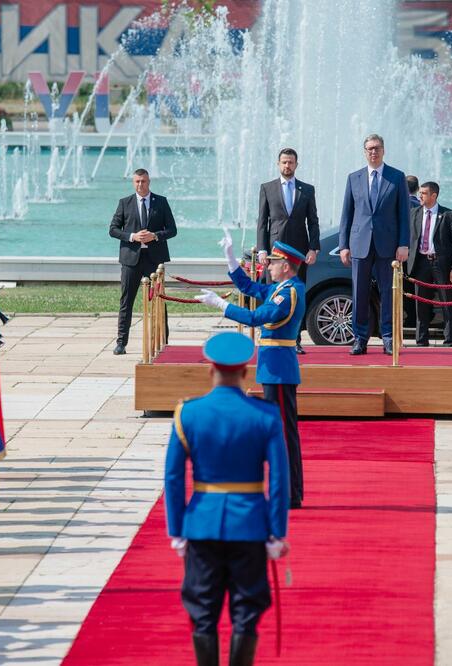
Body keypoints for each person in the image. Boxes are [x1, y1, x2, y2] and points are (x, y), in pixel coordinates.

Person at [164, 332, 290, 666]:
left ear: (210, 370)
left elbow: (174, 478)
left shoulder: (187, 414)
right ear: (246, 372)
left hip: (201, 524)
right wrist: (277, 532)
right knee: (246, 611)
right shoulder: (266, 415)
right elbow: (279, 478)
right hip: (249, 525)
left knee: (203, 611)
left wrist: (176, 530)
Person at [198, 235, 306, 509]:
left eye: (273, 263)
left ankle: (289, 494)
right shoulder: (281, 287)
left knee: (283, 434)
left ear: (286, 266)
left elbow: (257, 317)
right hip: (273, 369)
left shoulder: (288, 293)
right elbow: (247, 286)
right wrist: (230, 257)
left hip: (278, 370)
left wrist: (222, 305)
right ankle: (287, 491)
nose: (269, 266)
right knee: (280, 432)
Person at [338, 134, 411, 356]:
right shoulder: (354, 178)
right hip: (359, 245)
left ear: (383, 150)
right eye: (369, 148)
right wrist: (343, 245)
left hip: (388, 246)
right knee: (359, 294)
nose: (373, 152)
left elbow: (404, 214)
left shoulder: (396, 177)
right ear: (364, 152)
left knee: (388, 293)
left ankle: (388, 338)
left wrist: (404, 244)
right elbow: (347, 214)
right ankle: (360, 339)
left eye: (377, 148)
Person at [256, 148, 320, 354]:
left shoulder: (307, 190)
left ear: (296, 164)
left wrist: (313, 248)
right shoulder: (267, 188)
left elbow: (313, 221)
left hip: (298, 253)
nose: (287, 165)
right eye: (284, 162)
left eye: (291, 162)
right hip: (275, 251)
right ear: (278, 164)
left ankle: (295, 339)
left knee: (296, 295)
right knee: (273, 294)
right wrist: (262, 249)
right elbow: (262, 222)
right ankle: (269, 336)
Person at [108, 168, 178, 355]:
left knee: (159, 300)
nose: (140, 184)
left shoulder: (161, 202)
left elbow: (172, 230)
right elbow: (113, 229)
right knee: (126, 301)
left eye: (143, 181)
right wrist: (132, 236)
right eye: (137, 181)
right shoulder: (125, 203)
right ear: (133, 183)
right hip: (131, 260)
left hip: (154, 260)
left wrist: (155, 235)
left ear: (149, 182)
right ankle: (121, 342)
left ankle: (163, 342)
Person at [407, 181, 452, 347]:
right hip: (421, 263)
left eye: (424, 193)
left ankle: (449, 341)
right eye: (420, 192)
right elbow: (409, 238)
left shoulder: (448, 215)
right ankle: (421, 340)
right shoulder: (414, 213)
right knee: (421, 304)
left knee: (446, 303)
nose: (420, 196)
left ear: (434, 195)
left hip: (441, 264)